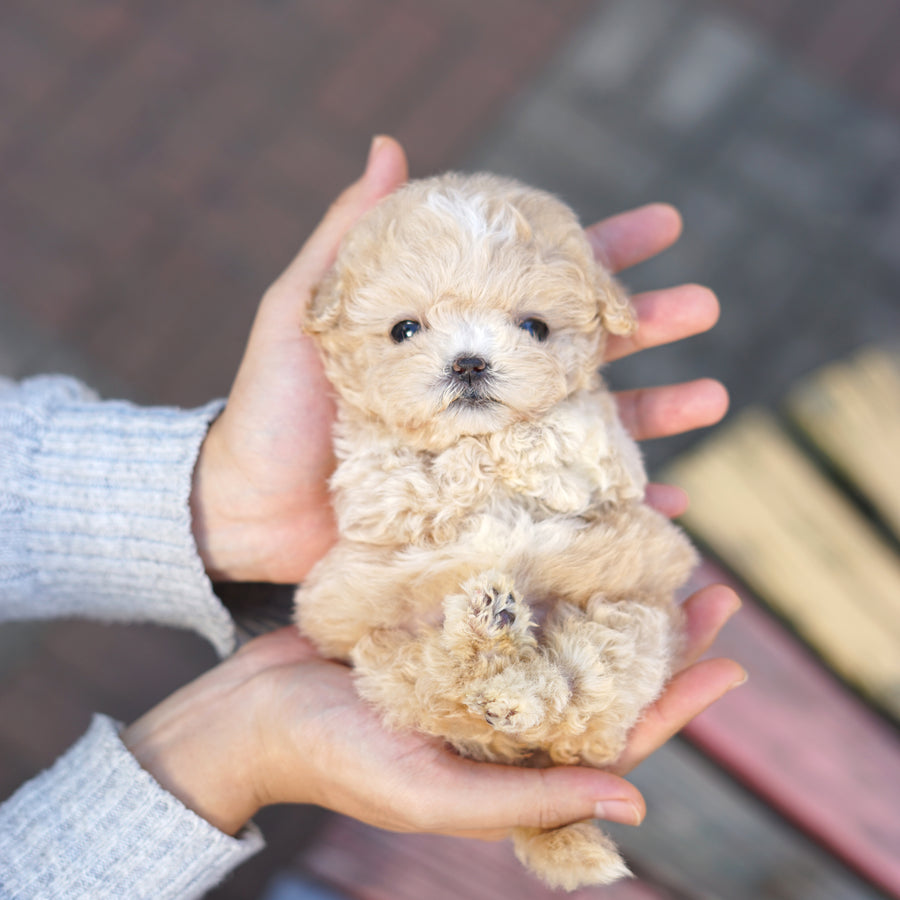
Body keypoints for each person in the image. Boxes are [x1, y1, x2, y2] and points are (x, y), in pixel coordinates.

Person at [0, 136, 745, 899]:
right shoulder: (369, 442)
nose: (469, 358)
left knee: (633, 631)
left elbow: (599, 487)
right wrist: (230, 750)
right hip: (415, 588)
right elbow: (394, 507)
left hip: (582, 575)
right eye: (406, 330)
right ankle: (477, 678)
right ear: (334, 334)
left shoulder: (579, 420)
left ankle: (556, 709)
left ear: (595, 316)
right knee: (396, 651)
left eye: (529, 326)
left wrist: (213, 496)